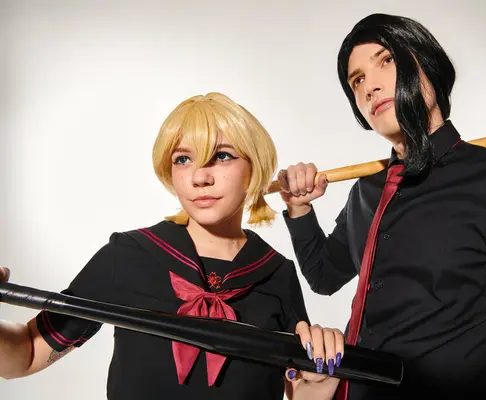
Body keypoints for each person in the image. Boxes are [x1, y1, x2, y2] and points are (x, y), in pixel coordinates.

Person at [278, 13, 486, 400]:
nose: (370, 86)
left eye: (387, 60)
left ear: (427, 64)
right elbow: (324, 275)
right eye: (357, 80)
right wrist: (299, 209)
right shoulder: (366, 192)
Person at [0, 92, 343, 400]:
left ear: (254, 170)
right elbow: (26, 356)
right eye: (183, 159)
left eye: (221, 156)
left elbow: (299, 389)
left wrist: (317, 389)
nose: (199, 176)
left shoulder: (276, 273)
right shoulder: (129, 254)